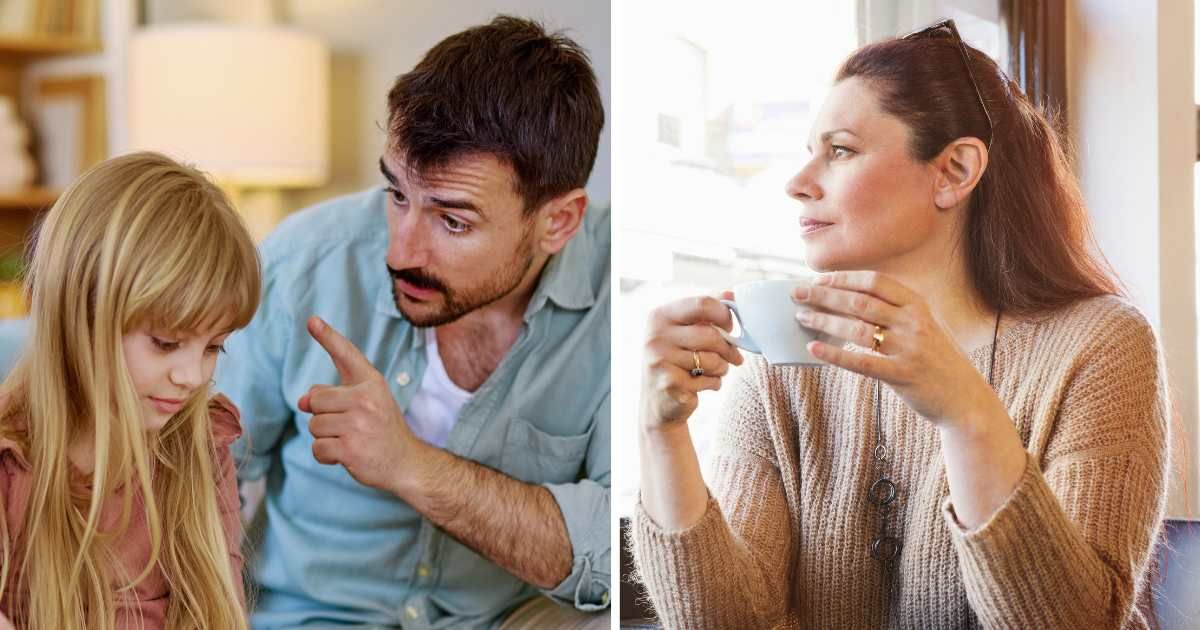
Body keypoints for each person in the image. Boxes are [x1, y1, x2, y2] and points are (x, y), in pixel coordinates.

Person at [631, 19, 1170, 628]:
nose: (798, 184)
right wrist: (660, 434)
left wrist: (966, 412)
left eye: (840, 150)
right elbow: (726, 620)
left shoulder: (1100, 345)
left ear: (954, 171)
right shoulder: (783, 362)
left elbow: (1075, 621)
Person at [215, 15, 610, 629]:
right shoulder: (304, 264)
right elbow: (199, 472)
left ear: (557, 221)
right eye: (397, 194)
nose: (401, 252)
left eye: (452, 221)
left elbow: (621, 559)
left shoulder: (621, 297)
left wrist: (409, 464)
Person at [0, 152, 260, 629]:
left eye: (214, 348)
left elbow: (224, 612)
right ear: (80, 314)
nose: (192, 376)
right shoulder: (10, 466)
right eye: (166, 343)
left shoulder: (199, 444)